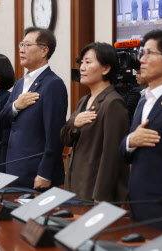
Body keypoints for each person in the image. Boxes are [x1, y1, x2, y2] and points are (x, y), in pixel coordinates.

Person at [120, 30, 162, 237]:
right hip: (139, 206)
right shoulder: (144, 100)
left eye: (149, 53)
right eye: (142, 53)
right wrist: (131, 140)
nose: (142, 60)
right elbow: (125, 151)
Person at [0, 27, 67, 190]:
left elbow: (54, 134)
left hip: (36, 173)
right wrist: (16, 106)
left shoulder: (53, 84)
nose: (22, 50)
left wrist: (45, 173)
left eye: (27, 45)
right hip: (13, 167)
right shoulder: (20, 84)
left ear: (44, 50)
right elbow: (1, 120)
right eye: (21, 45)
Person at [60, 42, 130, 201]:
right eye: (82, 63)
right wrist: (74, 124)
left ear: (105, 68)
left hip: (94, 190)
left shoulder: (113, 103)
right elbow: (65, 138)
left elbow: (112, 155)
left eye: (88, 62)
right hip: (75, 184)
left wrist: (101, 196)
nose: (82, 68)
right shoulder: (84, 101)